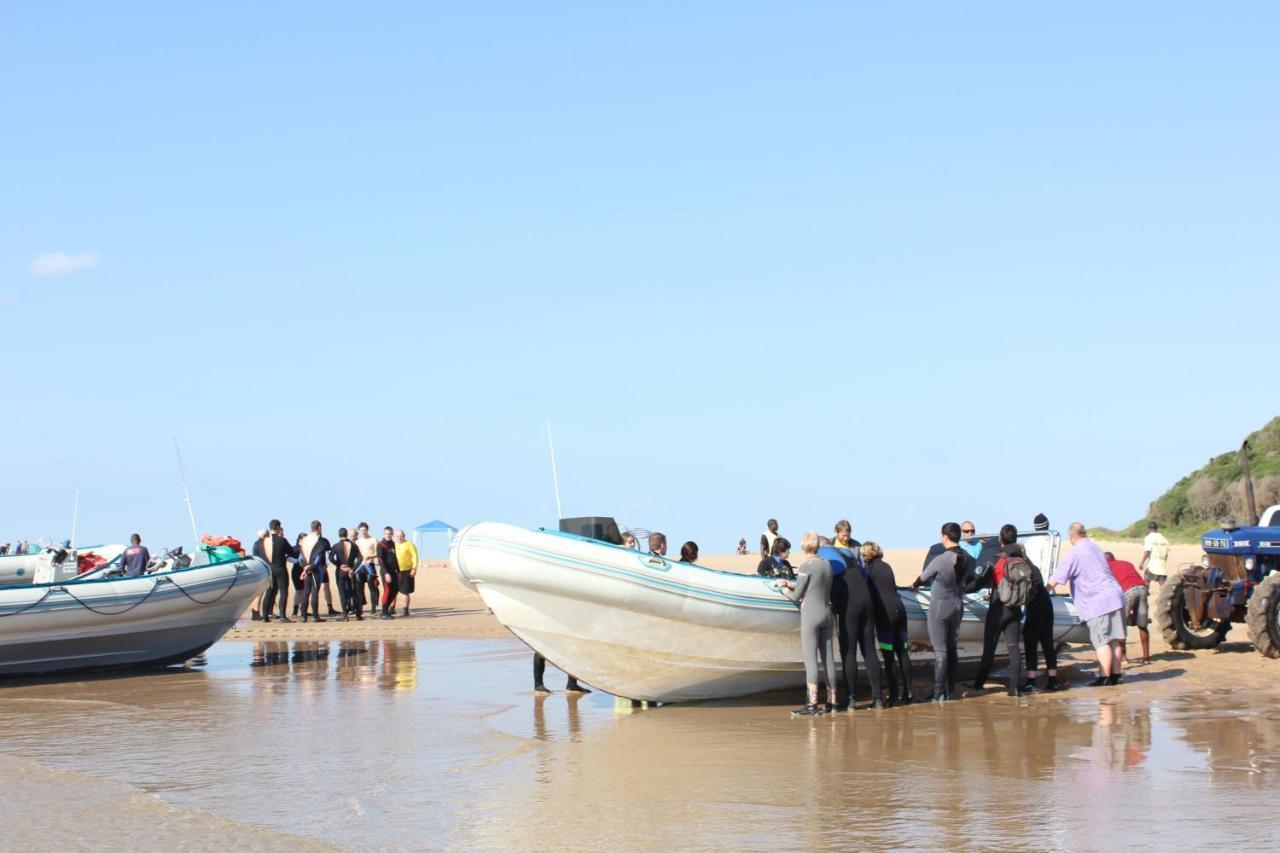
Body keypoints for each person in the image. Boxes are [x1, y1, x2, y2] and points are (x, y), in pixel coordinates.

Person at [1048, 523, 1128, 686]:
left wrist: (1043, 592)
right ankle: (1116, 675)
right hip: (1116, 595)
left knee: (1101, 641)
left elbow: (1057, 577)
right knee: (1115, 640)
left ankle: (1104, 676)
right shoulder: (1095, 547)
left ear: (1071, 537)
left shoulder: (1075, 552)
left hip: (1098, 601)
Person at [777, 531, 836, 716]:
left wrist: (784, 588)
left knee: (811, 660)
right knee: (828, 660)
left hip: (811, 615)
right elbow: (815, 586)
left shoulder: (805, 565)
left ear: (804, 547)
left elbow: (796, 595)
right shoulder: (827, 565)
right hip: (827, 613)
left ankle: (812, 704)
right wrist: (792, 583)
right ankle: (833, 702)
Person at [912, 522, 971, 702]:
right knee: (952, 649)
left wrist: (913, 586)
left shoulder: (942, 558)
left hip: (940, 607)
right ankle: (950, 691)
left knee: (941, 651)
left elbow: (923, 578)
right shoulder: (967, 557)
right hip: (957, 606)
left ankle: (938, 694)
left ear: (945, 536)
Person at [822, 535, 883, 710]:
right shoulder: (847, 553)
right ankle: (878, 699)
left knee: (849, 652)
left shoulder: (823, 554)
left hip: (849, 605)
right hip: (866, 601)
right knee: (870, 651)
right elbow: (863, 574)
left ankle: (850, 699)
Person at [971, 524, 1027, 696]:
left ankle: (978, 684)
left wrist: (964, 588)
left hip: (998, 608)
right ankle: (1014, 689)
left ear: (1000, 539)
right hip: (1016, 608)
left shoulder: (998, 557)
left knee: (990, 647)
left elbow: (980, 580)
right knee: (1013, 648)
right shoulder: (1022, 559)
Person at [864, 541, 913, 705]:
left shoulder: (869, 570)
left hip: (886, 614)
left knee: (889, 656)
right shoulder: (886, 566)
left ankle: (893, 696)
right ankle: (908, 692)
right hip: (900, 610)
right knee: (903, 653)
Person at [1106, 551, 1150, 664]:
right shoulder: (1127, 563)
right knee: (1142, 625)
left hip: (1128, 591)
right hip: (1142, 588)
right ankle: (1146, 657)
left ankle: (1124, 658)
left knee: (1121, 626)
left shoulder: (1107, 567)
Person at [260, 520, 298, 622]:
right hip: (280, 568)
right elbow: (291, 552)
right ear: (277, 527)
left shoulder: (264, 541)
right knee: (283, 592)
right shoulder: (282, 540)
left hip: (269, 569)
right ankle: (282, 616)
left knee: (269, 592)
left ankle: (265, 617)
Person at [297, 521, 331, 623]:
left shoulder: (303, 540)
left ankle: (303, 616)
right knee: (315, 592)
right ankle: (316, 617)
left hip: (306, 567)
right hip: (316, 569)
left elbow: (300, 558)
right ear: (319, 527)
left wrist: (305, 567)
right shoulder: (320, 540)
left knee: (306, 592)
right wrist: (310, 567)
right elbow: (319, 557)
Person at [329, 527, 362, 620]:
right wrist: (353, 569)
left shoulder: (336, 546)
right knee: (354, 592)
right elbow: (360, 558)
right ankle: (358, 615)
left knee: (342, 593)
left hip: (340, 571)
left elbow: (330, 558)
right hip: (350, 571)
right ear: (346, 534)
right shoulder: (354, 545)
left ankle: (345, 615)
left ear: (339, 535)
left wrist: (339, 565)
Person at [355, 522, 380, 617]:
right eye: (361, 530)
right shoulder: (358, 541)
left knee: (372, 587)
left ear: (367, 530)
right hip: (361, 566)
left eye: (364, 530)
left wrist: (370, 556)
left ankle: (373, 607)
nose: (363, 532)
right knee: (359, 588)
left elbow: (378, 553)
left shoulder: (373, 540)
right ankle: (360, 608)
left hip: (370, 565)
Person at [1139, 521, 1171, 593]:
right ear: (1157, 529)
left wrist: (1142, 563)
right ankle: (1164, 597)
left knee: (1147, 579)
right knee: (1162, 582)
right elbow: (1166, 554)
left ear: (1149, 529)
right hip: (1162, 563)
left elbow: (1147, 551)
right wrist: (1163, 562)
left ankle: (1146, 594)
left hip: (1153, 563)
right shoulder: (1164, 539)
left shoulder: (1148, 538)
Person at [376, 526, 401, 619]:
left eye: (390, 534)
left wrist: (399, 571)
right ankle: (384, 613)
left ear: (392, 534)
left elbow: (395, 559)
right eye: (387, 534)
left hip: (393, 571)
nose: (389, 535)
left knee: (396, 589)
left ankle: (385, 610)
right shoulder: (381, 544)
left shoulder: (392, 544)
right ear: (384, 534)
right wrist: (386, 573)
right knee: (388, 590)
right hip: (385, 571)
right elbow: (380, 560)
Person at [394, 529, 418, 617]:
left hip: (407, 570)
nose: (399, 538)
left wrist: (414, 568)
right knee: (393, 591)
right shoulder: (394, 544)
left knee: (405, 592)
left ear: (404, 536)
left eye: (401, 536)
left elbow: (415, 556)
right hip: (395, 571)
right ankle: (392, 609)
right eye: (398, 536)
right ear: (395, 537)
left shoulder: (409, 544)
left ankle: (405, 610)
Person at [250, 528, 268, 621]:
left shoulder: (256, 543)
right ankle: (256, 612)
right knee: (259, 593)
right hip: (262, 569)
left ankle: (255, 612)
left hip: (257, 568)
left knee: (257, 593)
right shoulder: (262, 544)